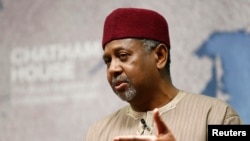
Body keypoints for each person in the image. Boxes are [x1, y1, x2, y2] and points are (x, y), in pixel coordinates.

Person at [85, 7, 242, 141]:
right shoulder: (97, 133)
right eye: (107, 61)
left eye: (123, 56)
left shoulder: (220, 116)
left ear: (160, 56)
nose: (113, 68)